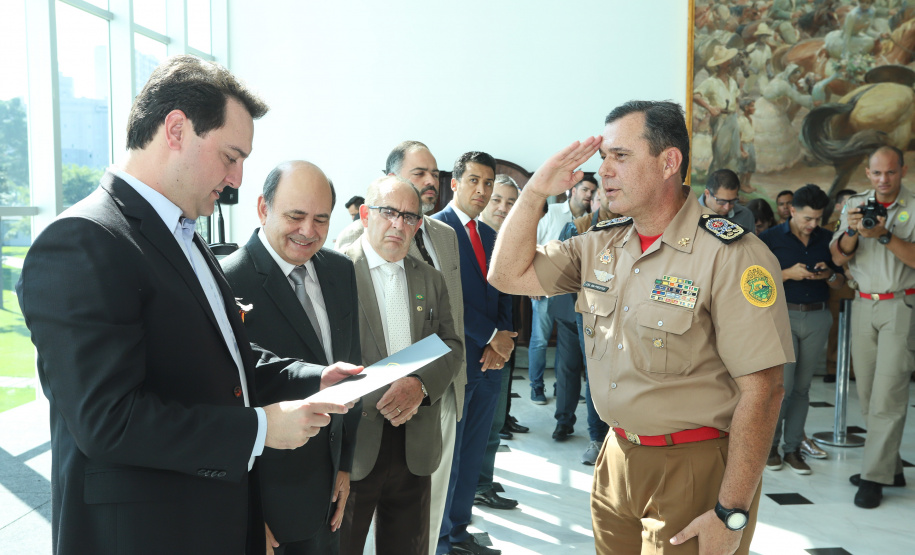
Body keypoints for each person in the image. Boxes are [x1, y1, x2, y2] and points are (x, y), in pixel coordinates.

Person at [15, 55, 356, 555]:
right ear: (176, 129)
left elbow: (221, 362)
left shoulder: (185, 234)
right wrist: (262, 428)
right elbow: (109, 421)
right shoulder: (82, 242)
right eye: (231, 156)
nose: (238, 178)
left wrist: (311, 377)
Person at [489, 100, 791, 555]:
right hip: (616, 457)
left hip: (692, 466)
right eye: (603, 158)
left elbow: (763, 389)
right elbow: (507, 274)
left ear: (669, 162)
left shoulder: (730, 254)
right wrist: (534, 194)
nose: (604, 171)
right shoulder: (601, 245)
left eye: (620, 156)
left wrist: (732, 511)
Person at [222, 161, 363, 554]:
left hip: (328, 492)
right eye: (295, 216)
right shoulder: (226, 281)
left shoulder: (339, 271)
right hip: (268, 508)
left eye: (321, 219)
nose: (308, 231)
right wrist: (244, 510)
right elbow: (220, 404)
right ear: (263, 209)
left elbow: (350, 368)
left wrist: (345, 463)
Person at [331, 141, 465, 555]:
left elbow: (450, 344)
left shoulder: (429, 278)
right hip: (353, 447)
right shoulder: (333, 272)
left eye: (409, 216)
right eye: (388, 212)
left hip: (414, 444)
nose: (398, 225)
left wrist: (419, 385)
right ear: (366, 214)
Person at [435, 152, 516, 555]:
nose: (482, 191)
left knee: (476, 452)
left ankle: (460, 532)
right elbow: (448, 300)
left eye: (488, 183)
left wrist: (503, 339)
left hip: (491, 362)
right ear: (455, 183)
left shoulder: (490, 236)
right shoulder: (435, 230)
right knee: (450, 455)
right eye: (474, 181)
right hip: (458, 360)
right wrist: (490, 337)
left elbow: (502, 287)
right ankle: (441, 538)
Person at [830, 145, 915, 509]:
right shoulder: (855, 205)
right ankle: (890, 467)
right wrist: (853, 232)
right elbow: (837, 255)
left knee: (889, 393)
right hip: (863, 304)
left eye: (890, 173)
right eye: (877, 173)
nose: (883, 180)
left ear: (903, 170)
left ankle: (873, 477)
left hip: (900, 305)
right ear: (867, 173)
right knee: (866, 391)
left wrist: (883, 234)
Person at [759, 184, 846, 476]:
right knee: (781, 387)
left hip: (818, 317)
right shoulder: (770, 238)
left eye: (818, 218)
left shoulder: (826, 238)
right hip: (782, 316)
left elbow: (840, 280)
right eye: (808, 218)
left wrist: (829, 274)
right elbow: (754, 280)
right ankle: (769, 446)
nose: (813, 225)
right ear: (792, 211)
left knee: (803, 388)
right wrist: (786, 274)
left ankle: (793, 448)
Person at [475, 174, 525, 511]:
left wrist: (502, 343)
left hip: (500, 346)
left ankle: (482, 480)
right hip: (476, 347)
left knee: (493, 425)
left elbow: (506, 298)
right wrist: (492, 341)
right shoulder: (466, 238)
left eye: (510, 202)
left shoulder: (504, 240)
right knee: (480, 427)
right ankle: (477, 484)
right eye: (497, 200)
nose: (503, 208)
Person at [559, 183, 618, 465]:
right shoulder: (580, 227)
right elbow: (562, 270)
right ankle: (597, 437)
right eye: (606, 192)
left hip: (625, 314)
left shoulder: (633, 224)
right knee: (594, 373)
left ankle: (619, 436)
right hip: (589, 313)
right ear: (596, 199)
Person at [529, 176, 598, 404]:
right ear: (573, 190)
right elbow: (532, 244)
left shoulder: (590, 220)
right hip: (545, 288)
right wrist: (532, 281)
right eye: (585, 190)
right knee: (540, 340)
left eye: (592, 192)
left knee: (566, 344)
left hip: (572, 293)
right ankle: (536, 387)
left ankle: (563, 388)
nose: (588, 195)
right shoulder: (553, 212)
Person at [693, 45, 741, 175]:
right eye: (728, 60)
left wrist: (737, 114)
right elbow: (695, 95)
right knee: (721, 152)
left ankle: (730, 182)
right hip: (721, 119)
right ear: (721, 64)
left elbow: (736, 99)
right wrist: (710, 108)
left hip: (732, 118)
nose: (731, 62)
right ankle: (715, 181)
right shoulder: (711, 82)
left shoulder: (731, 81)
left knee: (734, 152)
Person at [698, 169, 757, 233]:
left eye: (732, 201)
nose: (727, 208)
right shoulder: (689, 214)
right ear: (707, 193)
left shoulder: (746, 215)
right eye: (722, 201)